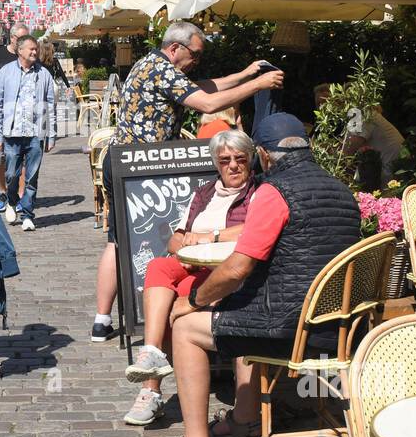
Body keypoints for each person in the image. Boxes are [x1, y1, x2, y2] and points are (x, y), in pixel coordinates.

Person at [146, 114, 361, 437]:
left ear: (262, 153)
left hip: (288, 330)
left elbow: (235, 269)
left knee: (185, 325)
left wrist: (193, 301)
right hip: (337, 329)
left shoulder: (274, 193)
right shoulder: (341, 190)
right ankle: (243, 421)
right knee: (240, 307)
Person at [90, 21, 285, 342]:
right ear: (175, 48)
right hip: (136, 167)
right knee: (121, 240)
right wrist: (258, 84)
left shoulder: (157, 65)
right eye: (194, 54)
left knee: (117, 239)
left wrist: (246, 74)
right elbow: (208, 103)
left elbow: (203, 87)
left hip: (126, 161)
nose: (197, 60)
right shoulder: (160, 69)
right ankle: (118, 315)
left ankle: (102, 320)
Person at [123, 129, 258, 426]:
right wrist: (186, 243)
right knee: (159, 266)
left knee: (174, 303)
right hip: (195, 269)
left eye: (240, 159)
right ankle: (151, 355)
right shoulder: (205, 193)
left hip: (228, 277)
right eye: (225, 160)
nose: (233, 166)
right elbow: (176, 237)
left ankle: (151, 391)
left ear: (251, 160)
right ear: (216, 163)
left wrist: (210, 236)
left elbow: (253, 227)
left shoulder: (258, 193)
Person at [0, 35, 57, 231]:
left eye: (35, 49)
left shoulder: (43, 74)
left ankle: (28, 214)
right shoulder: (6, 72)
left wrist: (51, 135)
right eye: (31, 49)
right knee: (11, 174)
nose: (35, 52)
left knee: (32, 178)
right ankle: (11, 201)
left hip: (36, 133)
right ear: (20, 51)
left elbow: (51, 105)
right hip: (12, 133)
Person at [313, 83, 406, 183]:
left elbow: (345, 153)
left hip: (389, 175)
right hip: (394, 170)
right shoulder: (365, 113)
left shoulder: (361, 114)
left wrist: (317, 149)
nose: (324, 107)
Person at [0, 24, 28, 199]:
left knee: (21, 157)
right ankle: (2, 191)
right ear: (12, 38)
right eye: (21, 39)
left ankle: (20, 195)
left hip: (21, 116)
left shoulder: (29, 57)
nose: (25, 43)